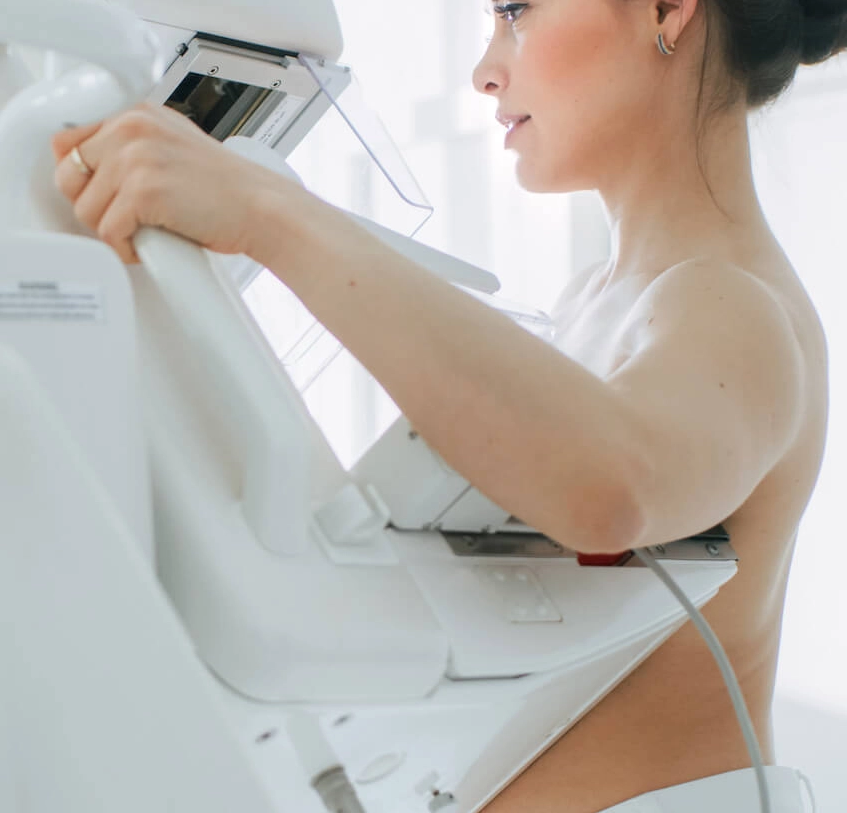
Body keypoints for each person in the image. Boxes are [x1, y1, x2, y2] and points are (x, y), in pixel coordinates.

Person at [51, 0, 846, 810]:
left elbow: (609, 484)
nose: (486, 69)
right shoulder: (600, 301)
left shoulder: (734, 305)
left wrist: (266, 212)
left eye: (515, 11)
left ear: (668, 10)